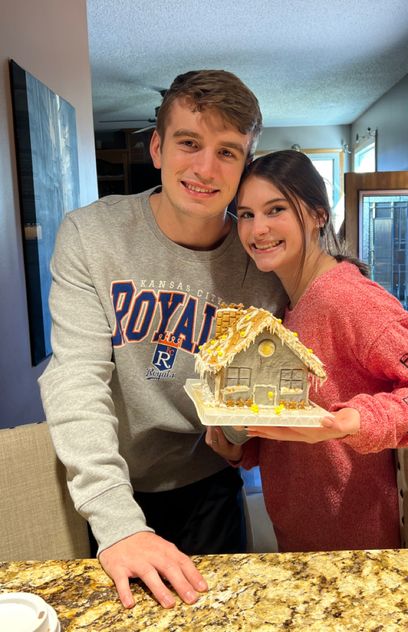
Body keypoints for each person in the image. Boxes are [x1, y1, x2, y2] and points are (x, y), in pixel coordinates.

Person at [38, 70, 286, 610]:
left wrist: (241, 433)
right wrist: (117, 522)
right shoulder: (91, 235)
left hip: (211, 486)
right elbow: (76, 376)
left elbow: (260, 382)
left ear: (246, 166)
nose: (204, 168)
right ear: (156, 146)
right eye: (189, 143)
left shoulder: (264, 262)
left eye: (227, 152)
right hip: (108, 485)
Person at [206, 149, 408, 553]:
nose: (257, 229)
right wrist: (243, 449)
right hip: (298, 538)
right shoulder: (284, 305)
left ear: (318, 215)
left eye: (275, 209)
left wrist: (357, 420)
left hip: (357, 548)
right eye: (245, 214)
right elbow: (300, 423)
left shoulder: (347, 299)